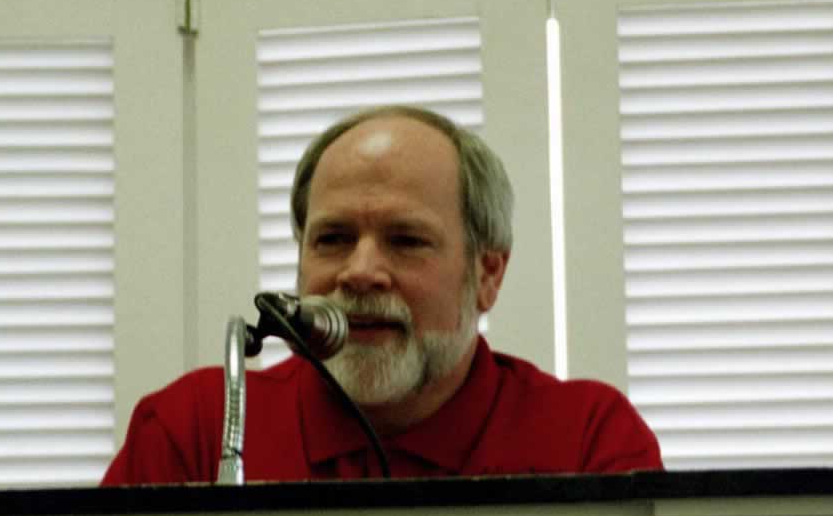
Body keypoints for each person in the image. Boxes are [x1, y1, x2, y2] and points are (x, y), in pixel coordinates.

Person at [100, 105, 661, 484]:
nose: (360, 272)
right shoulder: (194, 429)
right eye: (333, 239)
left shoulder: (589, 441)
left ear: (488, 275)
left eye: (406, 240)